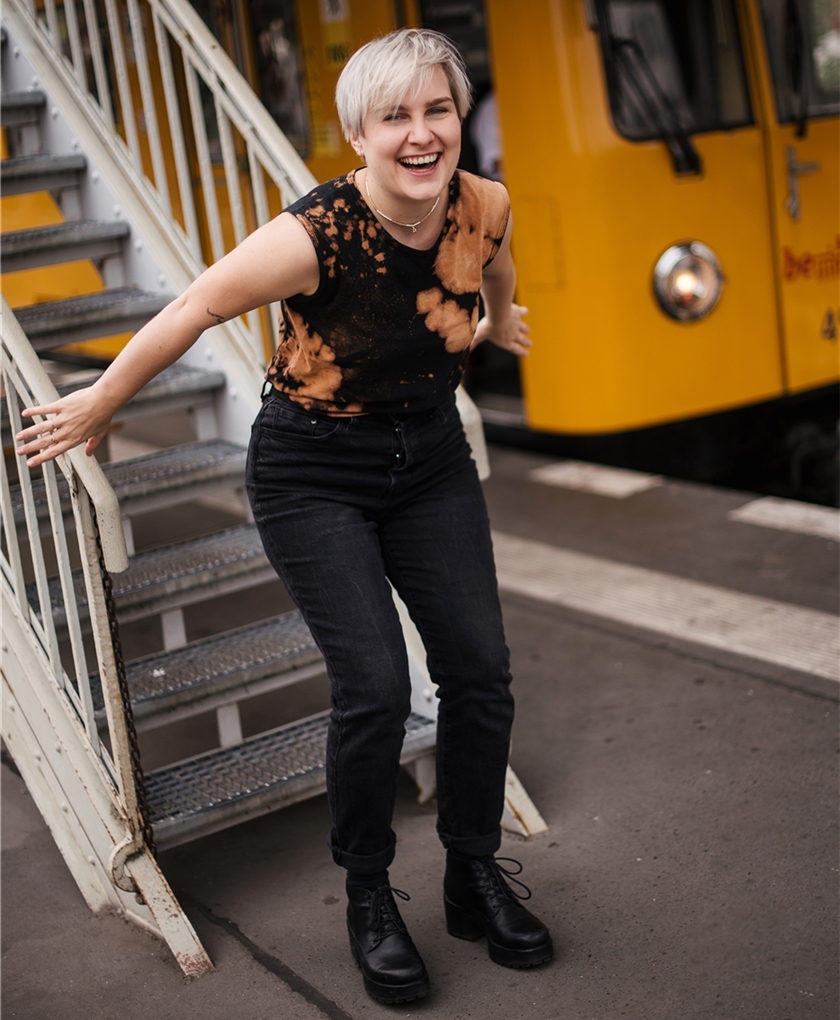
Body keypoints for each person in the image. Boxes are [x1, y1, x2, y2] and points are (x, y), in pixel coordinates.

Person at [16, 28, 552, 1005]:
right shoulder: (313, 236)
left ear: (459, 116)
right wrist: (101, 403)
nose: (422, 133)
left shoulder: (485, 202)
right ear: (358, 136)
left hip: (430, 461)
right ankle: (369, 895)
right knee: (376, 687)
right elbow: (195, 308)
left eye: (437, 110)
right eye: (394, 117)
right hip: (315, 474)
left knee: (480, 671)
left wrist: (499, 318)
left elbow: (497, 262)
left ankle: (473, 873)